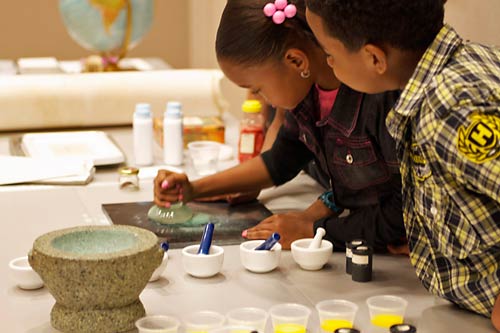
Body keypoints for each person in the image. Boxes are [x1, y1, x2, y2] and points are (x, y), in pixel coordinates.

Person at [305, 0, 500, 329]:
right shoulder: (449, 76)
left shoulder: (451, 106)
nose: (328, 62)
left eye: (330, 52)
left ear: (374, 58)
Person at [154, 0, 407, 252]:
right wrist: (193, 189)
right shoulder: (308, 94)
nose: (260, 98)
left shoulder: (378, 95)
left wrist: (313, 230)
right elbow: (279, 161)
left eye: (257, 89)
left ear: (296, 62)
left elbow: (403, 213)